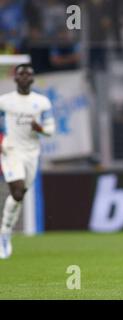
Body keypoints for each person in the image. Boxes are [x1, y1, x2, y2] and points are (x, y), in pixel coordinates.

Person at [0, 64, 55, 259]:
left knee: (20, 194)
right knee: (17, 188)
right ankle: (4, 233)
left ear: (32, 79)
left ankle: (5, 230)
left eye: (28, 74)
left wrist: (39, 128)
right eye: (21, 74)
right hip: (11, 150)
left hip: (31, 153)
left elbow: (51, 129)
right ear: (15, 79)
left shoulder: (41, 102)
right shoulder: (5, 101)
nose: (24, 77)